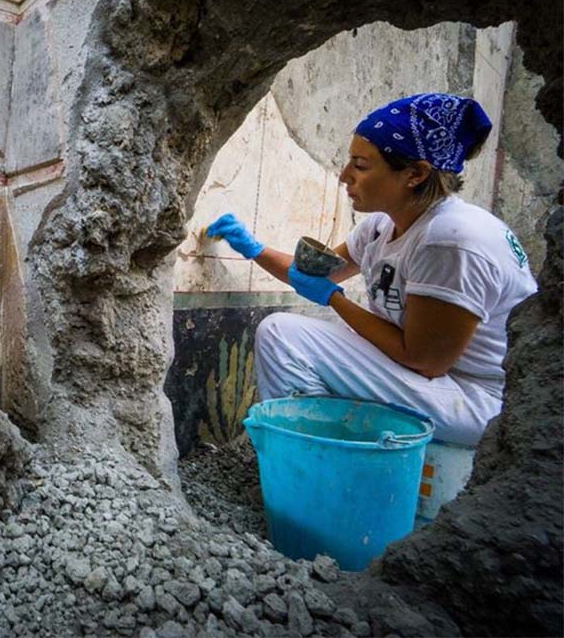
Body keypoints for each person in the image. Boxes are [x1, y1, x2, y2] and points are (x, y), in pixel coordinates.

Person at [206, 93, 538, 446]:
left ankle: (315, 462)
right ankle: (323, 453)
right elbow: (316, 276)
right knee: (286, 335)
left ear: (415, 174)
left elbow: (424, 361)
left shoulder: (451, 239)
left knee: (282, 335)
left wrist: (336, 301)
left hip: (477, 401)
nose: (345, 176)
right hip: (434, 382)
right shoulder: (381, 226)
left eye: (361, 166)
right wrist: (253, 249)